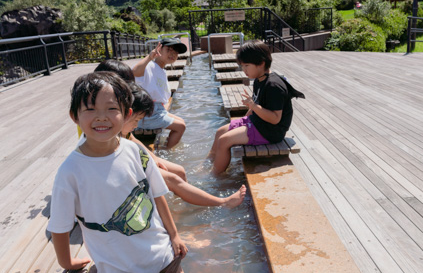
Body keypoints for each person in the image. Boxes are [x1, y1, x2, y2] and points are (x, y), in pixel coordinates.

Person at [49, 72, 189, 273]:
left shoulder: (135, 151)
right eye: (90, 109)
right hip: (117, 261)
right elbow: (60, 226)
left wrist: (173, 234)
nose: (101, 117)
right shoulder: (70, 171)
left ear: (127, 114)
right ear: (75, 116)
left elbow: (156, 193)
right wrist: (67, 262)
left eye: (111, 108)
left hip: (155, 247)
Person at [126, 83, 246, 208]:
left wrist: (153, 157)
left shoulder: (125, 129)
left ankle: (187, 201)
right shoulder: (115, 132)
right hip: (130, 163)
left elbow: (134, 140)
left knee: (180, 171)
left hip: (138, 156)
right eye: (136, 120)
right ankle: (223, 202)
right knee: (173, 180)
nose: (137, 125)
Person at [208, 41, 304, 175]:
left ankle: (215, 175)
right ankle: (208, 163)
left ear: (261, 63)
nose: (244, 70)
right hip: (258, 123)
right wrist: (243, 120)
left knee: (224, 141)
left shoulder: (273, 86)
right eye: (242, 66)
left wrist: (253, 106)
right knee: (220, 132)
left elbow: (275, 119)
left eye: (247, 65)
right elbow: (255, 106)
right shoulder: (259, 80)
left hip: (271, 131)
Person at [132, 39, 187, 149]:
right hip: (147, 113)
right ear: (159, 49)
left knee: (181, 121)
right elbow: (135, 72)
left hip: (157, 111)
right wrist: (149, 57)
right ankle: (167, 151)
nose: (173, 54)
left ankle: (166, 145)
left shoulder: (161, 70)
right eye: (169, 50)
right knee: (181, 127)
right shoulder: (149, 66)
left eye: (175, 52)